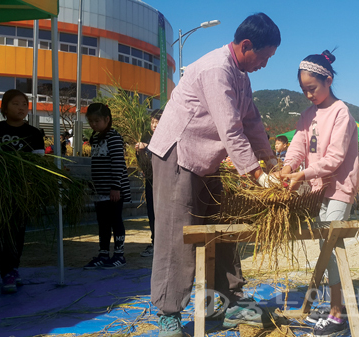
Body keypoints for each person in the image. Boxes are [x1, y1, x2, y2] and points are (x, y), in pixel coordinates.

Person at [147, 13, 280, 336]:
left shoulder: (242, 78)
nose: (264, 64)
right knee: (177, 234)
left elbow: (252, 125)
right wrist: (257, 174)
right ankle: (169, 312)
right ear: (246, 45)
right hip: (178, 153)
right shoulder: (216, 69)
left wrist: (273, 164)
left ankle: (231, 300)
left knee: (223, 227)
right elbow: (230, 129)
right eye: (263, 57)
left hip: (206, 159)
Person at [276, 49, 359, 337]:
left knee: (332, 249)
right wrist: (288, 167)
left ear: (328, 80)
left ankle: (338, 314)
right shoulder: (307, 115)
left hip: (338, 188)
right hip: (316, 189)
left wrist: (304, 173)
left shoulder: (341, 113)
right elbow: (298, 145)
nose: (308, 95)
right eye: (304, 90)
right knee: (326, 247)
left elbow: (335, 159)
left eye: (312, 89)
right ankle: (333, 306)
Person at [0, 89, 45, 294]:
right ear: (5, 107)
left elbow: (38, 162)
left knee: (18, 231)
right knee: (2, 231)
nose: (21, 108)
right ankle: (6, 271)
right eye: (16, 104)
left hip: (22, 190)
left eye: (24, 105)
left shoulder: (34, 133)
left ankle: (13, 267)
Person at [83, 103, 131, 270]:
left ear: (107, 119)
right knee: (102, 222)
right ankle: (103, 254)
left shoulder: (114, 137)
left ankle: (119, 254)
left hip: (114, 190)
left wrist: (115, 187)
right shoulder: (95, 138)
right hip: (100, 190)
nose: (93, 124)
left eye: (96, 121)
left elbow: (118, 163)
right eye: (90, 121)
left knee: (115, 220)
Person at [135, 108, 162, 257]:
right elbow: (144, 163)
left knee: (161, 212)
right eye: (152, 122)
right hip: (151, 180)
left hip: (163, 181)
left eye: (157, 121)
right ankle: (154, 242)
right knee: (151, 212)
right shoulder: (148, 137)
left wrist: (148, 148)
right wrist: (139, 152)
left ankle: (162, 243)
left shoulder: (167, 137)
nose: (154, 125)